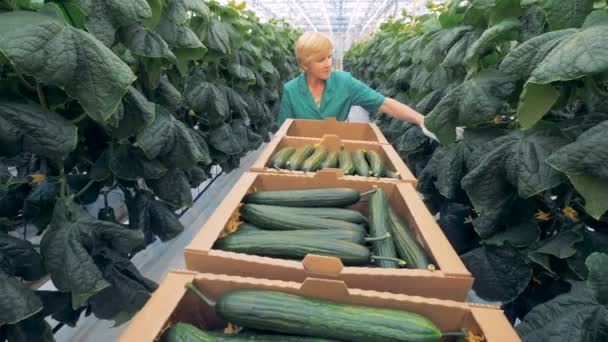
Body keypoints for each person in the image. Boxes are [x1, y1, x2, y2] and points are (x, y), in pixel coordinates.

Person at [277, 32, 437, 141]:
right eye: (321, 60)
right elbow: (284, 132)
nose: (328, 64)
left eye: (329, 57)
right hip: (301, 154)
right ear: (305, 65)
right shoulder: (291, 90)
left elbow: (384, 103)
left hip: (336, 149)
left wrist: (422, 120)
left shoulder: (344, 82)